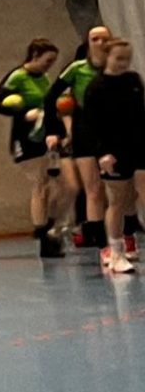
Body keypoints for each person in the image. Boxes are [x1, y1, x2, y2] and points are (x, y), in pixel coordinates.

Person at [0, 38, 65, 257]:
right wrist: (22, 113)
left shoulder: (45, 79)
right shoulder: (18, 76)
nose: (50, 66)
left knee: (59, 186)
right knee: (40, 184)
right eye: (47, 61)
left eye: (53, 62)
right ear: (35, 56)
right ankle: (43, 236)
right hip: (25, 137)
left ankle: (51, 228)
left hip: (45, 136)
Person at [54, 26, 115, 262]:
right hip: (81, 136)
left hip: (108, 135)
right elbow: (62, 106)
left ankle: (115, 235)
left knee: (115, 189)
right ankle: (92, 234)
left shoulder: (114, 73)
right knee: (87, 187)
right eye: (94, 41)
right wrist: (67, 131)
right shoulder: (75, 77)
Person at [89, 38, 141, 266]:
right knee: (118, 200)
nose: (123, 63)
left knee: (141, 192)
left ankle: (130, 239)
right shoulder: (96, 87)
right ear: (106, 57)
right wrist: (102, 153)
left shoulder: (133, 80)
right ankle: (116, 251)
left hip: (138, 146)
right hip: (113, 150)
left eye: (127, 59)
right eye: (119, 58)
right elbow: (92, 125)